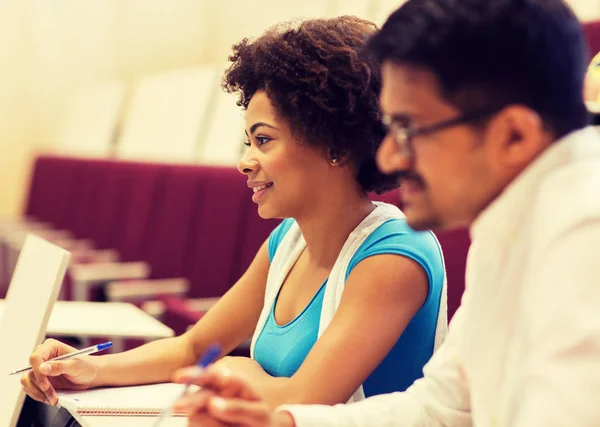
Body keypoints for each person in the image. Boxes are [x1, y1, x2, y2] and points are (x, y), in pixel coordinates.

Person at [168, 0, 600, 426]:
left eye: (408, 129)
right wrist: (280, 422)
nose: (388, 156)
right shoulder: (508, 226)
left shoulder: (585, 237)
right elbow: (440, 408)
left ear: (514, 135)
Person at [21, 16, 447, 410]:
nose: (245, 160)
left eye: (263, 140)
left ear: (333, 145)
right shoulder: (288, 241)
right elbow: (195, 348)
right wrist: (89, 371)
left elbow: (302, 402)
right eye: (247, 141)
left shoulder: (395, 254)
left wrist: (231, 368)